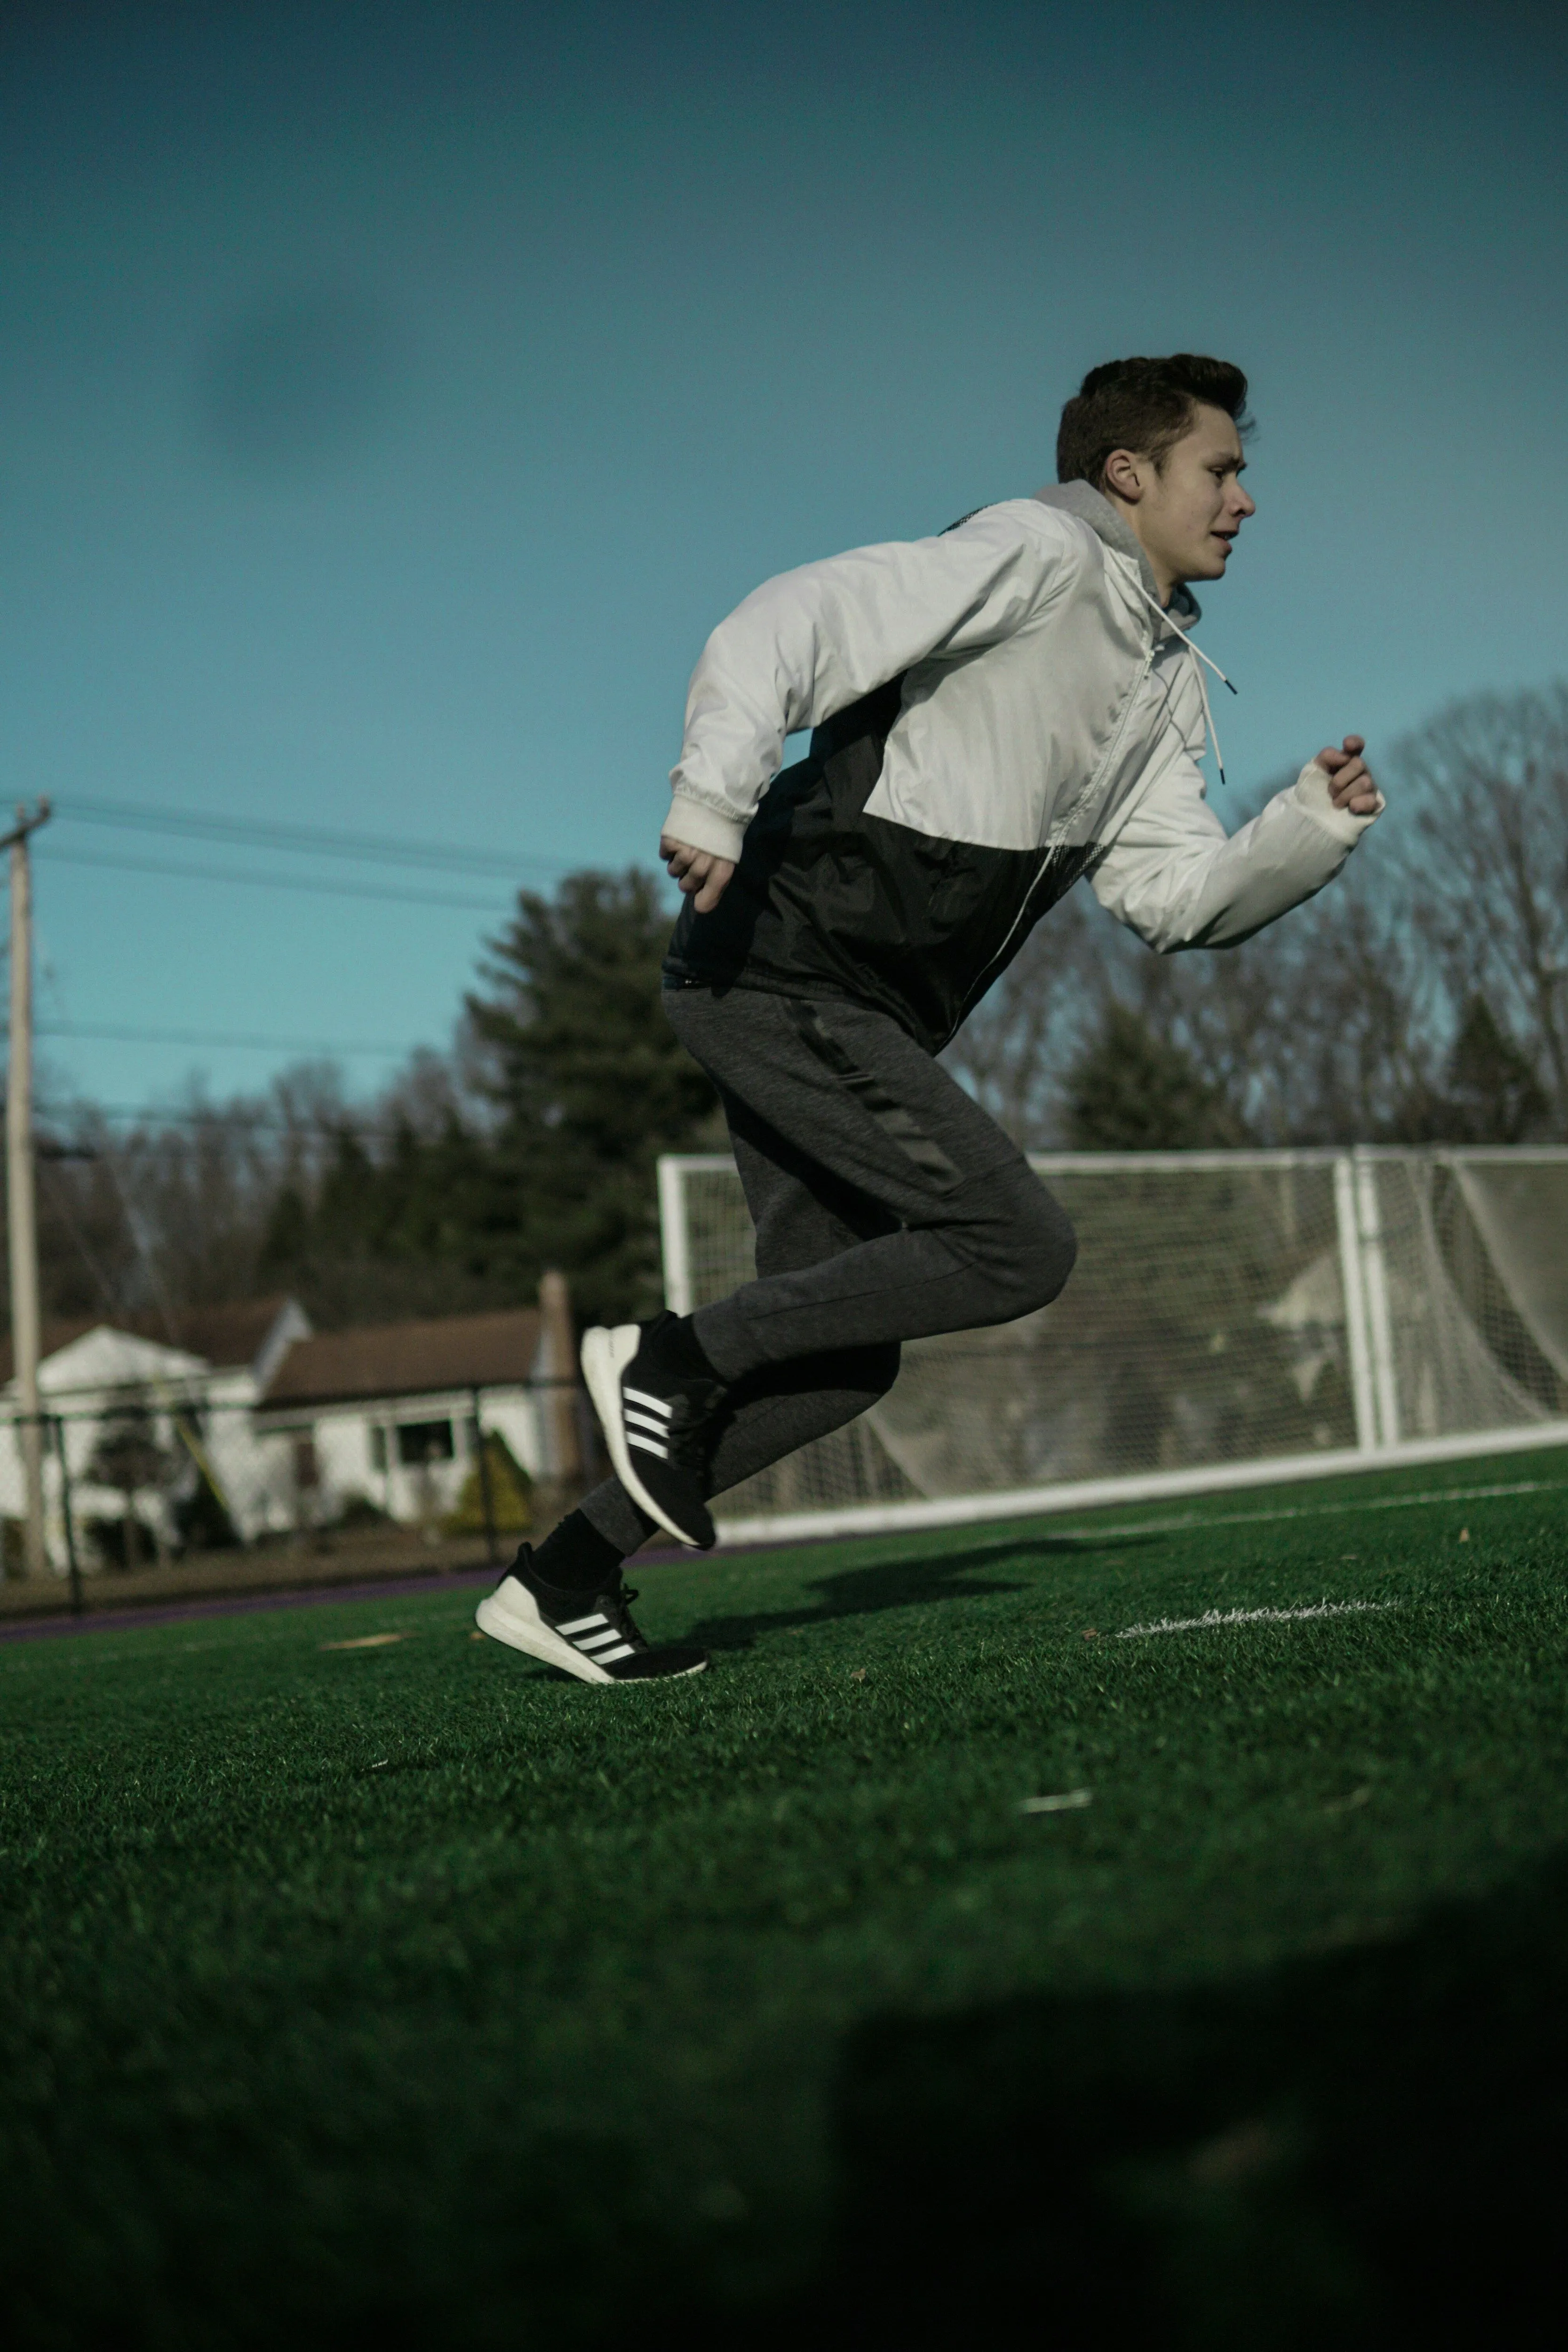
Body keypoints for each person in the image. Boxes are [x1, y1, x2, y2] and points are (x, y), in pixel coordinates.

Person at [477, 352, 1383, 1684]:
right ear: (1128, 475)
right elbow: (790, 621)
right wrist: (714, 793)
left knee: (844, 1364)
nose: (1244, 499)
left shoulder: (1164, 676)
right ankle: (667, 1356)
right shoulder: (1034, 551)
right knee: (1016, 1244)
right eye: (1221, 469)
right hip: (785, 970)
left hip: (839, 1008)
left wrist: (1303, 830)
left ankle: (561, 1577)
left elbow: (1171, 896)